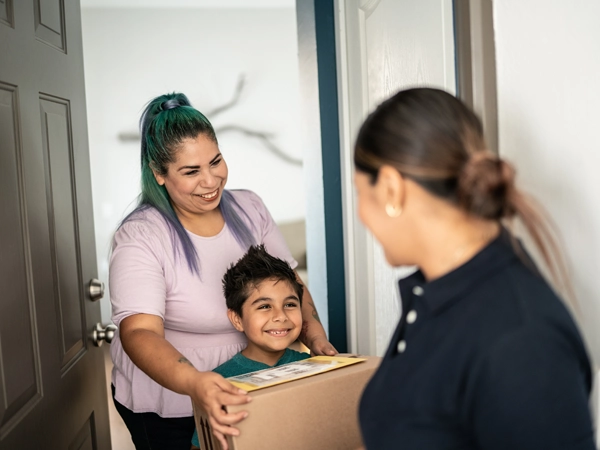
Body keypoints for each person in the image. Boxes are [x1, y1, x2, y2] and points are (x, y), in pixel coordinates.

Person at [353, 87, 595, 449]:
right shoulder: (435, 296)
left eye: (359, 193)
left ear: (390, 189)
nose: (360, 214)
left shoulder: (521, 340)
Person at [109, 92, 335, 450]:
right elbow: (138, 332)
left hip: (254, 381)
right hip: (174, 397)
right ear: (159, 174)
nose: (211, 180)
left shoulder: (250, 208)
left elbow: (290, 283)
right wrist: (196, 383)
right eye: (192, 171)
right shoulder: (141, 235)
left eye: (215, 162)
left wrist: (315, 336)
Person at [190, 244, 311, 448]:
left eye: (290, 304)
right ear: (237, 319)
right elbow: (201, 444)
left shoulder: (313, 368)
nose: (280, 316)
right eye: (264, 306)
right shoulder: (220, 382)